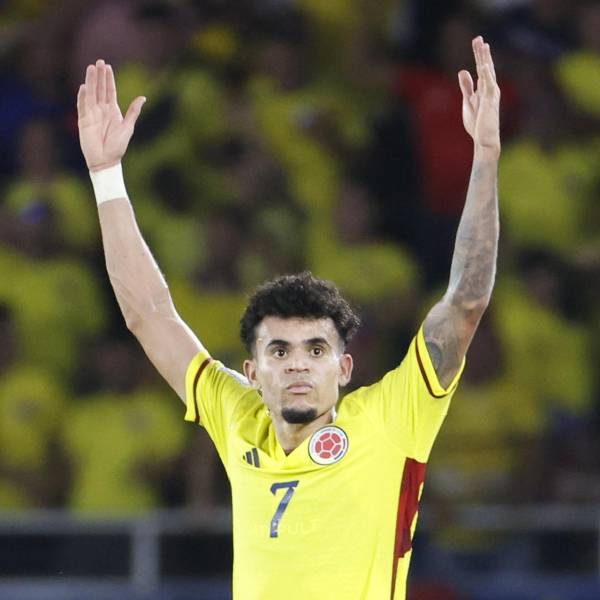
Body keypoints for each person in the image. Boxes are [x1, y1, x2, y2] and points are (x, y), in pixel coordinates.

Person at [76, 36, 500, 600]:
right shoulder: (239, 418)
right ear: (252, 372)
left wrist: (485, 157)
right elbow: (148, 314)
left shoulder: (392, 418)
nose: (298, 364)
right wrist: (106, 175)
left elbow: (465, 302)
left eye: (315, 349)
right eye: (279, 350)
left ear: (345, 367)